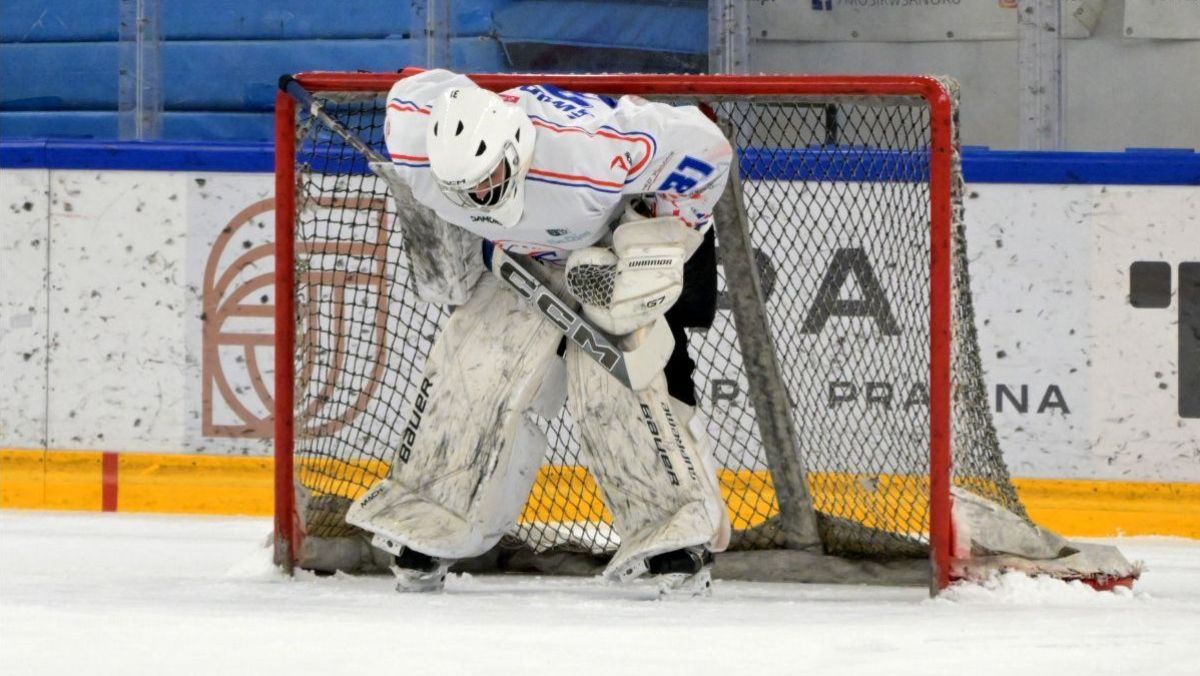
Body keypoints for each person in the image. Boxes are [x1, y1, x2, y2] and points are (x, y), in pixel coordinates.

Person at [346, 69, 732, 595]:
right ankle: (435, 519)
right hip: (517, 259)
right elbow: (415, 85)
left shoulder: (591, 154)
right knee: (469, 371)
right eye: (464, 188)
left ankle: (674, 534)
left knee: (615, 389)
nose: (478, 195)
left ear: (516, 146)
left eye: (486, 179)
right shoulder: (415, 135)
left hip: (609, 251)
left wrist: (657, 237)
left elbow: (709, 150)